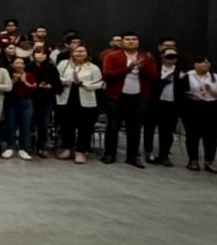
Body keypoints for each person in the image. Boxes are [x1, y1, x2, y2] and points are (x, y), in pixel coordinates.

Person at [101, 32, 158, 167]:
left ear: (138, 42)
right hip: (116, 97)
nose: (131, 41)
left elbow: (154, 77)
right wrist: (128, 68)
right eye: (127, 39)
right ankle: (109, 154)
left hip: (138, 98)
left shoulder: (146, 58)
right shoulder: (112, 56)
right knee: (113, 126)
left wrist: (144, 68)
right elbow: (107, 75)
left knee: (135, 128)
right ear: (122, 42)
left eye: (134, 39)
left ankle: (132, 156)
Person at [55, 45, 106, 164]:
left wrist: (82, 83)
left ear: (87, 53)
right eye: (77, 51)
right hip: (66, 99)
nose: (79, 53)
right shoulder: (63, 64)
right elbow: (56, 78)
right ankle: (67, 148)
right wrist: (67, 80)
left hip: (87, 100)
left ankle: (80, 151)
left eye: (82, 51)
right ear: (72, 52)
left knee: (85, 127)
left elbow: (99, 83)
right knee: (66, 125)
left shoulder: (93, 67)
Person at [184, 56, 217, 173]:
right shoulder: (187, 75)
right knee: (192, 134)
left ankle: (209, 161)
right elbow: (181, 91)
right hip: (193, 106)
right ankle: (193, 160)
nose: (205, 64)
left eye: (207, 62)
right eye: (201, 62)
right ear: (195, 64)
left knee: (211, 135)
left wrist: (212, 91)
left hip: (211, 107)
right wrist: (192, 95)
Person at [147, 49, 187, 166]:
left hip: (172, 104)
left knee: (168, 131)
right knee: (150, 129)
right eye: (168, 56)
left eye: (174, 56)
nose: (171, 58)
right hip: (155, 103)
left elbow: (185, 88)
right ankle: (148, 152)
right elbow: (151, 84)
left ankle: (164, 155)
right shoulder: (155, 68)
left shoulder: (181, 71)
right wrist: (164, 81)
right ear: (162, 57)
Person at [1, 57, 37, 160]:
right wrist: (14, 80)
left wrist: (24, 81)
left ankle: (23, 149)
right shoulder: (8, 75)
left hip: (26, 103)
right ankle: (10, 147)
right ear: (12, 65)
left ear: (24, 65)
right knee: (10, 125)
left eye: (21, 63)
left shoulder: (29, 75)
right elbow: (6, 88)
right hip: (10, 102)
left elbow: (34, 88)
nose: (19, 65)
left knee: (25, 126)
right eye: (17, 63)